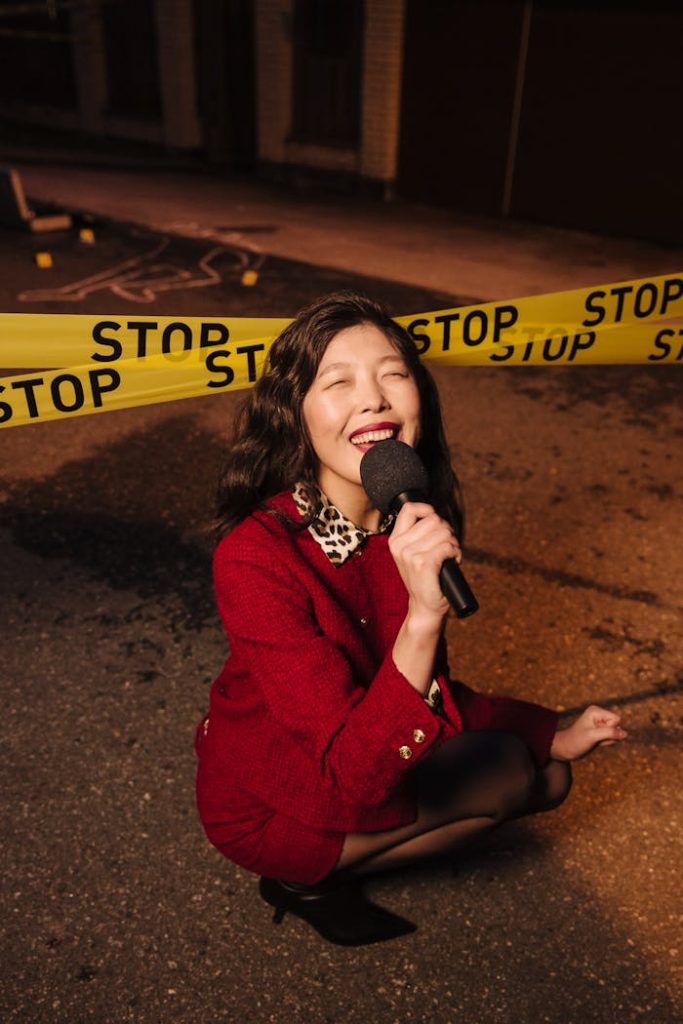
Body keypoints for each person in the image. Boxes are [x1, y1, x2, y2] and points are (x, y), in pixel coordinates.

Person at [195, 291, 628, 946]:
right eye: (337, 382)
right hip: (270, 800)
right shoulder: (255, 557)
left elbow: (431, 691)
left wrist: (549, 730)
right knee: (518, 777)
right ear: (295, 415)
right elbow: (353, 771)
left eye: (392, 373)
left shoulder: (409, 516)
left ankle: (345, 856)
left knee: (550, 771)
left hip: (368, 745)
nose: (372, 397)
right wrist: (424, 617)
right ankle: (299, 878)